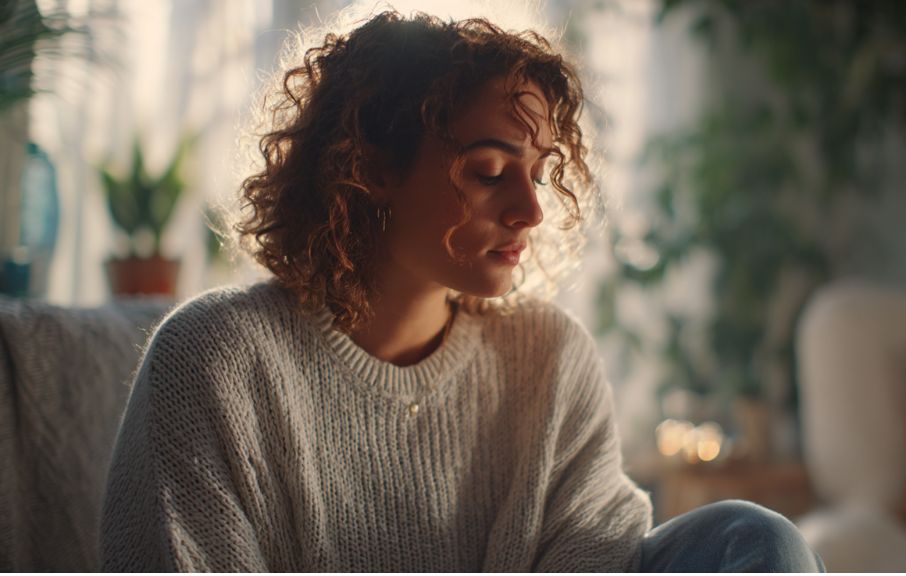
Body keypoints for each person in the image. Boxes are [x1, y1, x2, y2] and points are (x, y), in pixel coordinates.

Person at [99, 9, 824, 572]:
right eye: (488, 171)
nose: (530, 210)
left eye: (537, 174)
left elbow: (597, 556)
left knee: (750, 537)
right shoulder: (214, 359)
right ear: (370, 166)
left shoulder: (550, 357)